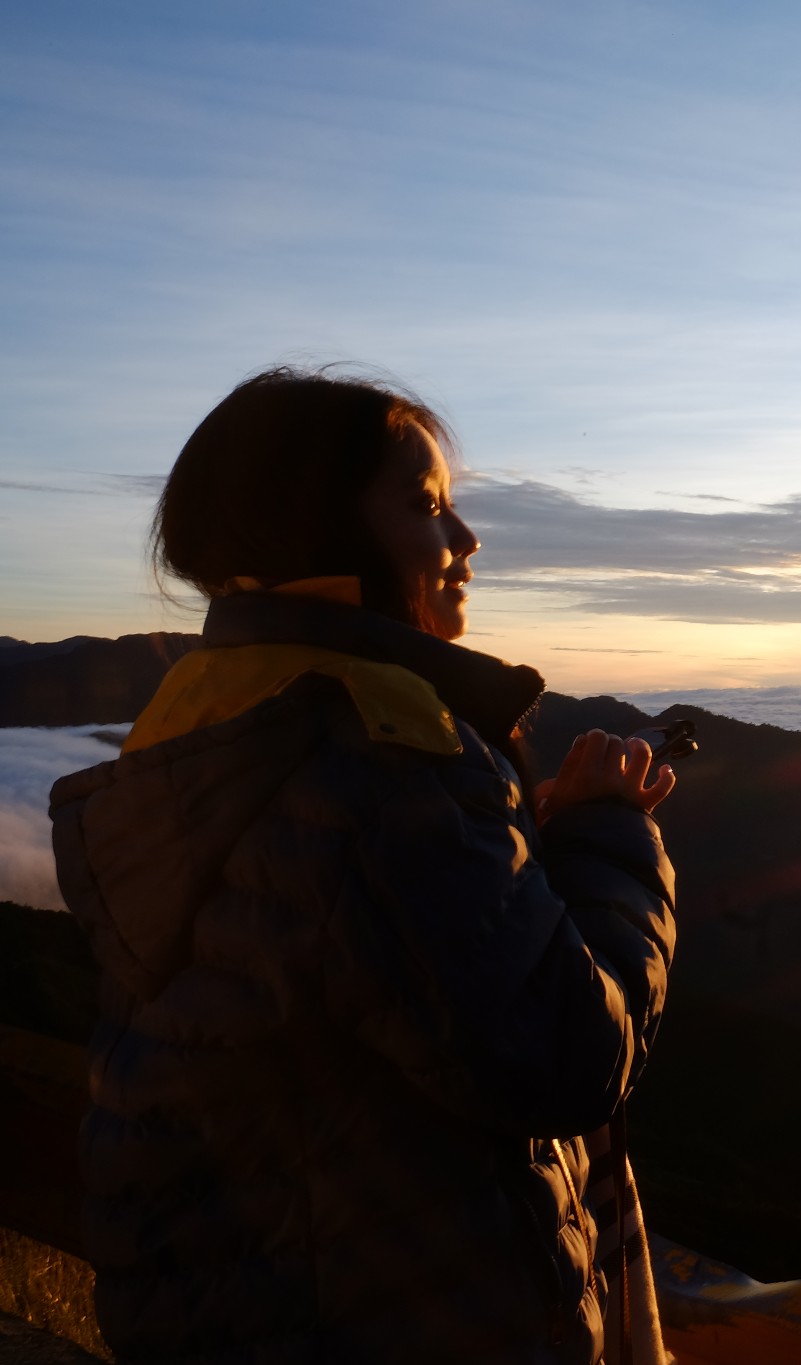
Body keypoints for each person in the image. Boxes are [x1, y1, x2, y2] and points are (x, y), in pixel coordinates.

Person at [48, 367, 677, 1363]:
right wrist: (609, 837)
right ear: (321, 532)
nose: (465, 542)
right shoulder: (382, 762)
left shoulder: (195, 731)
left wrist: (517, 861)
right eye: (428, 508)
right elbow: (566, 1059)